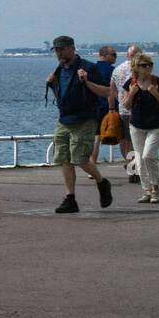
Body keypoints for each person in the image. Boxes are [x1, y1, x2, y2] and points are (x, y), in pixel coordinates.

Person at [45, 35, 112, 213]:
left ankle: (102, 182)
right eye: (56, 50)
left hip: (85, 119)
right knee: (64, 159)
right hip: (64, 120)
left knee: (80, 158)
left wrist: (87, 81)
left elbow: (107, 91)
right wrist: (52, 85)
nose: (58, 53)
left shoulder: (89, 67)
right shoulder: (59, 70)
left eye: (61, 49)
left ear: (72, 48)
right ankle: (70, 198)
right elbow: (62, 96)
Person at [122, 53, 159, 203]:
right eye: (144, 65)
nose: (148, 67)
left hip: (156, 125)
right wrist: (131, 94)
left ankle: (155, 188)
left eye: (149, 64)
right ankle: (147, 190)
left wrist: (155, 93)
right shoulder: (131, 83)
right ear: (136, 67)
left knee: (147, 156)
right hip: (137, 126)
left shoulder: (158, 82)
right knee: (139, 159)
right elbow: (126, 105)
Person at [107, 44, 142, 181]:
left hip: (123, 109)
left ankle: (131, 165)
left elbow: (112, 89)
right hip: (137, 110)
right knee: (137, 140)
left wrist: (119, 101)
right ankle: (134, 168)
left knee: (126, 141)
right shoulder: (139, 69)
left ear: (127, 55)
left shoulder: (117, 69)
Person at [87, 46, 118, 167]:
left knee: (96, 137)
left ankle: (92, 163)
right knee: (124, 138)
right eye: (113, 54)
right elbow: (112, 90)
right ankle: (133, 165)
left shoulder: (91, 70)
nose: (115, 56)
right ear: (104, 55)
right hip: (109, 107)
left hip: (94, 107)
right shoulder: (112, 71)